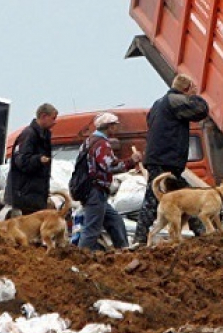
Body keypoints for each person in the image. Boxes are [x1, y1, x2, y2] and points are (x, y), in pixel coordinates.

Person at [132, 74, 209, 245]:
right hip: (164, 160)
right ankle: (140, 238)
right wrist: (194, 95)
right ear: (186, 89)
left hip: (163, 159)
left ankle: (201, 233)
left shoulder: (158, 104)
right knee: (153, 199)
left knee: (188, 196)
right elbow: (201, 110)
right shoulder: (174, 100)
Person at [77, 112, 142, 251]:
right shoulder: (101, 144)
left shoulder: (89, 141)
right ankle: (81, 256)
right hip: (95, 190)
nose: (116, 128)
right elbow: (109, 166)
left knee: (115, 221)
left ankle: (123, 249)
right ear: (109, 127)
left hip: (92, 190)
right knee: (92, 228)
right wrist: (131, 161)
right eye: (114, 125)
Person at [6, 103, 58, 215]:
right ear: (44, 116)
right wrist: (39, 159)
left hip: (35, 195)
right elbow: (21, 161)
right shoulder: (29, 135)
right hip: (24, 195)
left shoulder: (44, 137)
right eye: (53, 118)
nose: (55, 122)